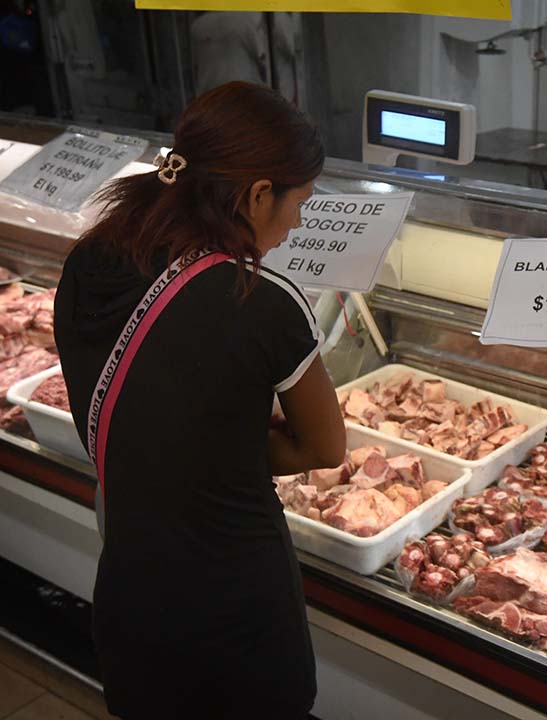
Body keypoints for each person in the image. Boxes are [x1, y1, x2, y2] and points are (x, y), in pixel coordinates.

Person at [54, 82, 346, 719]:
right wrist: (235, 441)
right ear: (258, 193)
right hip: (237, 611)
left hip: (131, 594)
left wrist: (207, 435)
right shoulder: (262, 301)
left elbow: (146, 415)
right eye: (301, 202)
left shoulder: (87, 262)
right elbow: (324, 447)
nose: (298, 223)